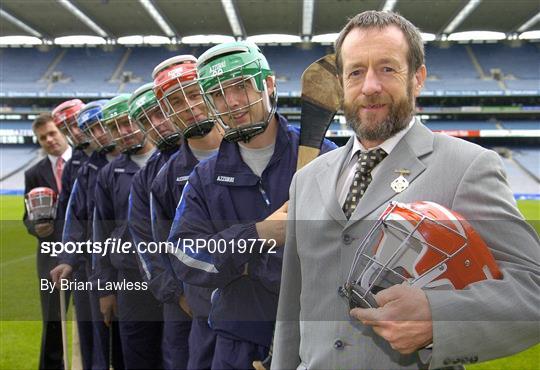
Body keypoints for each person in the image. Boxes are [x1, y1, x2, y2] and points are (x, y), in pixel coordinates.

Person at [271, 10, 540, 370]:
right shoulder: (307, 178)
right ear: (341, 84)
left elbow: (532, 289)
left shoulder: (467, 166)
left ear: (418, 78)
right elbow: (292, 309)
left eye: (387, 68)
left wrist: (438, 318)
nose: (370, 86)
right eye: (356, 72)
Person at [166, 41, 337, 369]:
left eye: (241, 86)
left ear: (269, 84)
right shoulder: (205, 177)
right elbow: (184, 256)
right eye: (218, 93)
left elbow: (354, 244)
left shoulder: (326, 156)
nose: (231, 102)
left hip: (316, 339)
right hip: (237, 342)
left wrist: (246, 267)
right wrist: (257, 236)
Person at [150, 55, 222, 370]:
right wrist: (182, 296)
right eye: (175, 101)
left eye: (193, 94)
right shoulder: (165, 177)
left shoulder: (257, 150)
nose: (188, 106)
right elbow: (160, 244)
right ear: (165, 112)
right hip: (202, 312)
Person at [50, 99, 125, 370]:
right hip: (93, 266)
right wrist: (68, 257)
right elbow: (74, 218)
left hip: (134, 266)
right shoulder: (84, 169)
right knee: (99, 336)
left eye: (102, 125)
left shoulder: (142, 158)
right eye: (92, 128)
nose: (100, 133)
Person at [92, 93, 162, 369]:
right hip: (130, 280)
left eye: (127, 122)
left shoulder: (172, 161)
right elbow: (101, 234)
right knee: (137, 356)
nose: (122, 132)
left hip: (171, 277)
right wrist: (105, 289)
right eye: (114, 127)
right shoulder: (108, 174)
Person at [126, 81, 186, 369]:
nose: (157, 124)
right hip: (180, 301)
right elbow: (145, 243)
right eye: (147, 120)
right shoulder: (146, 177)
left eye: (160, 112)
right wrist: (177, 297)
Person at [23, 113, 71, 369]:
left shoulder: (86, 162)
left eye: (52, 133)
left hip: (88, 251)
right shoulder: (33, 173)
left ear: (62, 131)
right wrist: (35, 228)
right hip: (51, 254)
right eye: (43, 137)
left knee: (101, 315)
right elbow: (26, 216)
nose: (49, 140)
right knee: (53, 321)